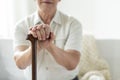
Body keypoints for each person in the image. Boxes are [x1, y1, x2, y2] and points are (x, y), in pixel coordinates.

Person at [13, 0, 82, 80]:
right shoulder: (21, 26)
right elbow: (20, 63)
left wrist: (49, 44)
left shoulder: (73, 24)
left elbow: (72, 64)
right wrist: (37, 46)